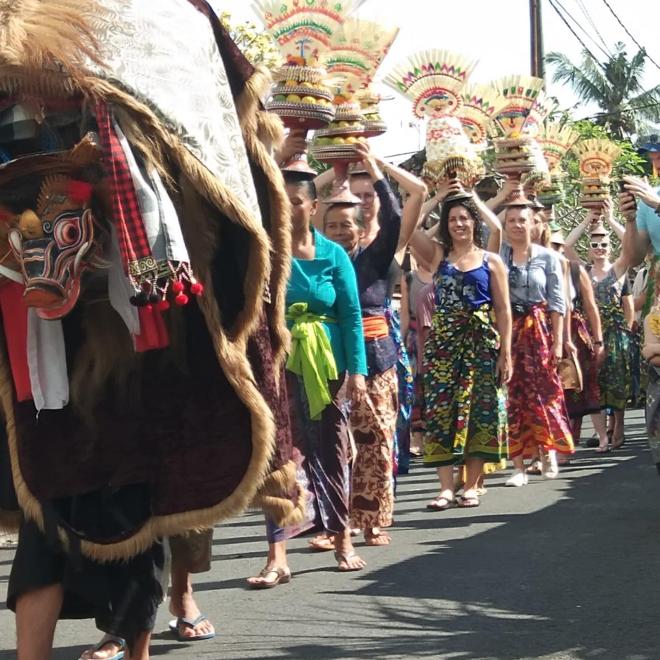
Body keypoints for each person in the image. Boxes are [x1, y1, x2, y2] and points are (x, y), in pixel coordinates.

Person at [248, 172, 367, 579]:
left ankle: (341, 537)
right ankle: (277, 555)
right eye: (281, 199)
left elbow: (351, 316)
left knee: (331, 449)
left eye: (297, 200)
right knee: (280, 457)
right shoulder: (265, 252)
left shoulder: (334, 254)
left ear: (313, 207)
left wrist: (358, 371)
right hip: (279, 364)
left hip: (327, 365)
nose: (289, 206)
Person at [322, 142, 425, 546]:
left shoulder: (377, 255)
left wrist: (375, 167)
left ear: (362, 228)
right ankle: (334, 523)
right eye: (332, 226)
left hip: (377, 359)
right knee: (334, 444)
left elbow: (398, 213)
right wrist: (336, 169)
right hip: (330, 357)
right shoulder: (322, 258)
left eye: (348, 225)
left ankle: (373, 519)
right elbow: (303, 205)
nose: (340, 231)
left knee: (377, 441)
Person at [406, 182, 511, 509]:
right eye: (452, 219)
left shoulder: (491, 261)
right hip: (443, 346)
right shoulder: (438, 257)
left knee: (479, 410)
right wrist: (438, 197)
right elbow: (409, 227)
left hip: (480, 343)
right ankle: (445, 488)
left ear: (474, 221)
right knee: (441, 411)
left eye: (464, 218)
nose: (459, 224)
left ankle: (470, 485)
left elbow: (504, 310)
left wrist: (505, 352)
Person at [501, 203, 573, 485]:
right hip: (510, 332)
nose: (517, 225)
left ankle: (548, 452)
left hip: (540, 331)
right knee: (514, 396)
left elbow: (557, 303)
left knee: (545, 393)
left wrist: (558, 343)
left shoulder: (548, 257)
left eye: (522, 220)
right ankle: (518, 466)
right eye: (511, 221)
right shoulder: (498, 256)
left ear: (534, 224)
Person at [565, 205, 634, 450]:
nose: (600, 248)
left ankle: (619, 429)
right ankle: (601, 431)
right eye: (594, 245)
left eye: (604, 244)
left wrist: (614, 219)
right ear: (588, 249)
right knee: (595, 382)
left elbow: (630, 245)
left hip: (615, 334)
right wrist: (586, 220)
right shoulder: (582, 270)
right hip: (591, 333)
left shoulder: (618, 270)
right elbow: (565, 245)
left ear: (610, 247)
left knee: (616, 382)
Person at [549, 230, 605, 444]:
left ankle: (597, 438)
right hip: (545, 332)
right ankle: (560, 440)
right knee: (554, 388)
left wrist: (598, 341)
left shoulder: (574, 269)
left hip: (575, 334)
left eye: (557, 245)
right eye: (549, 244)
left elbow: (591, 307)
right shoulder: (537, 265)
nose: (553, 249)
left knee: (581, 386)